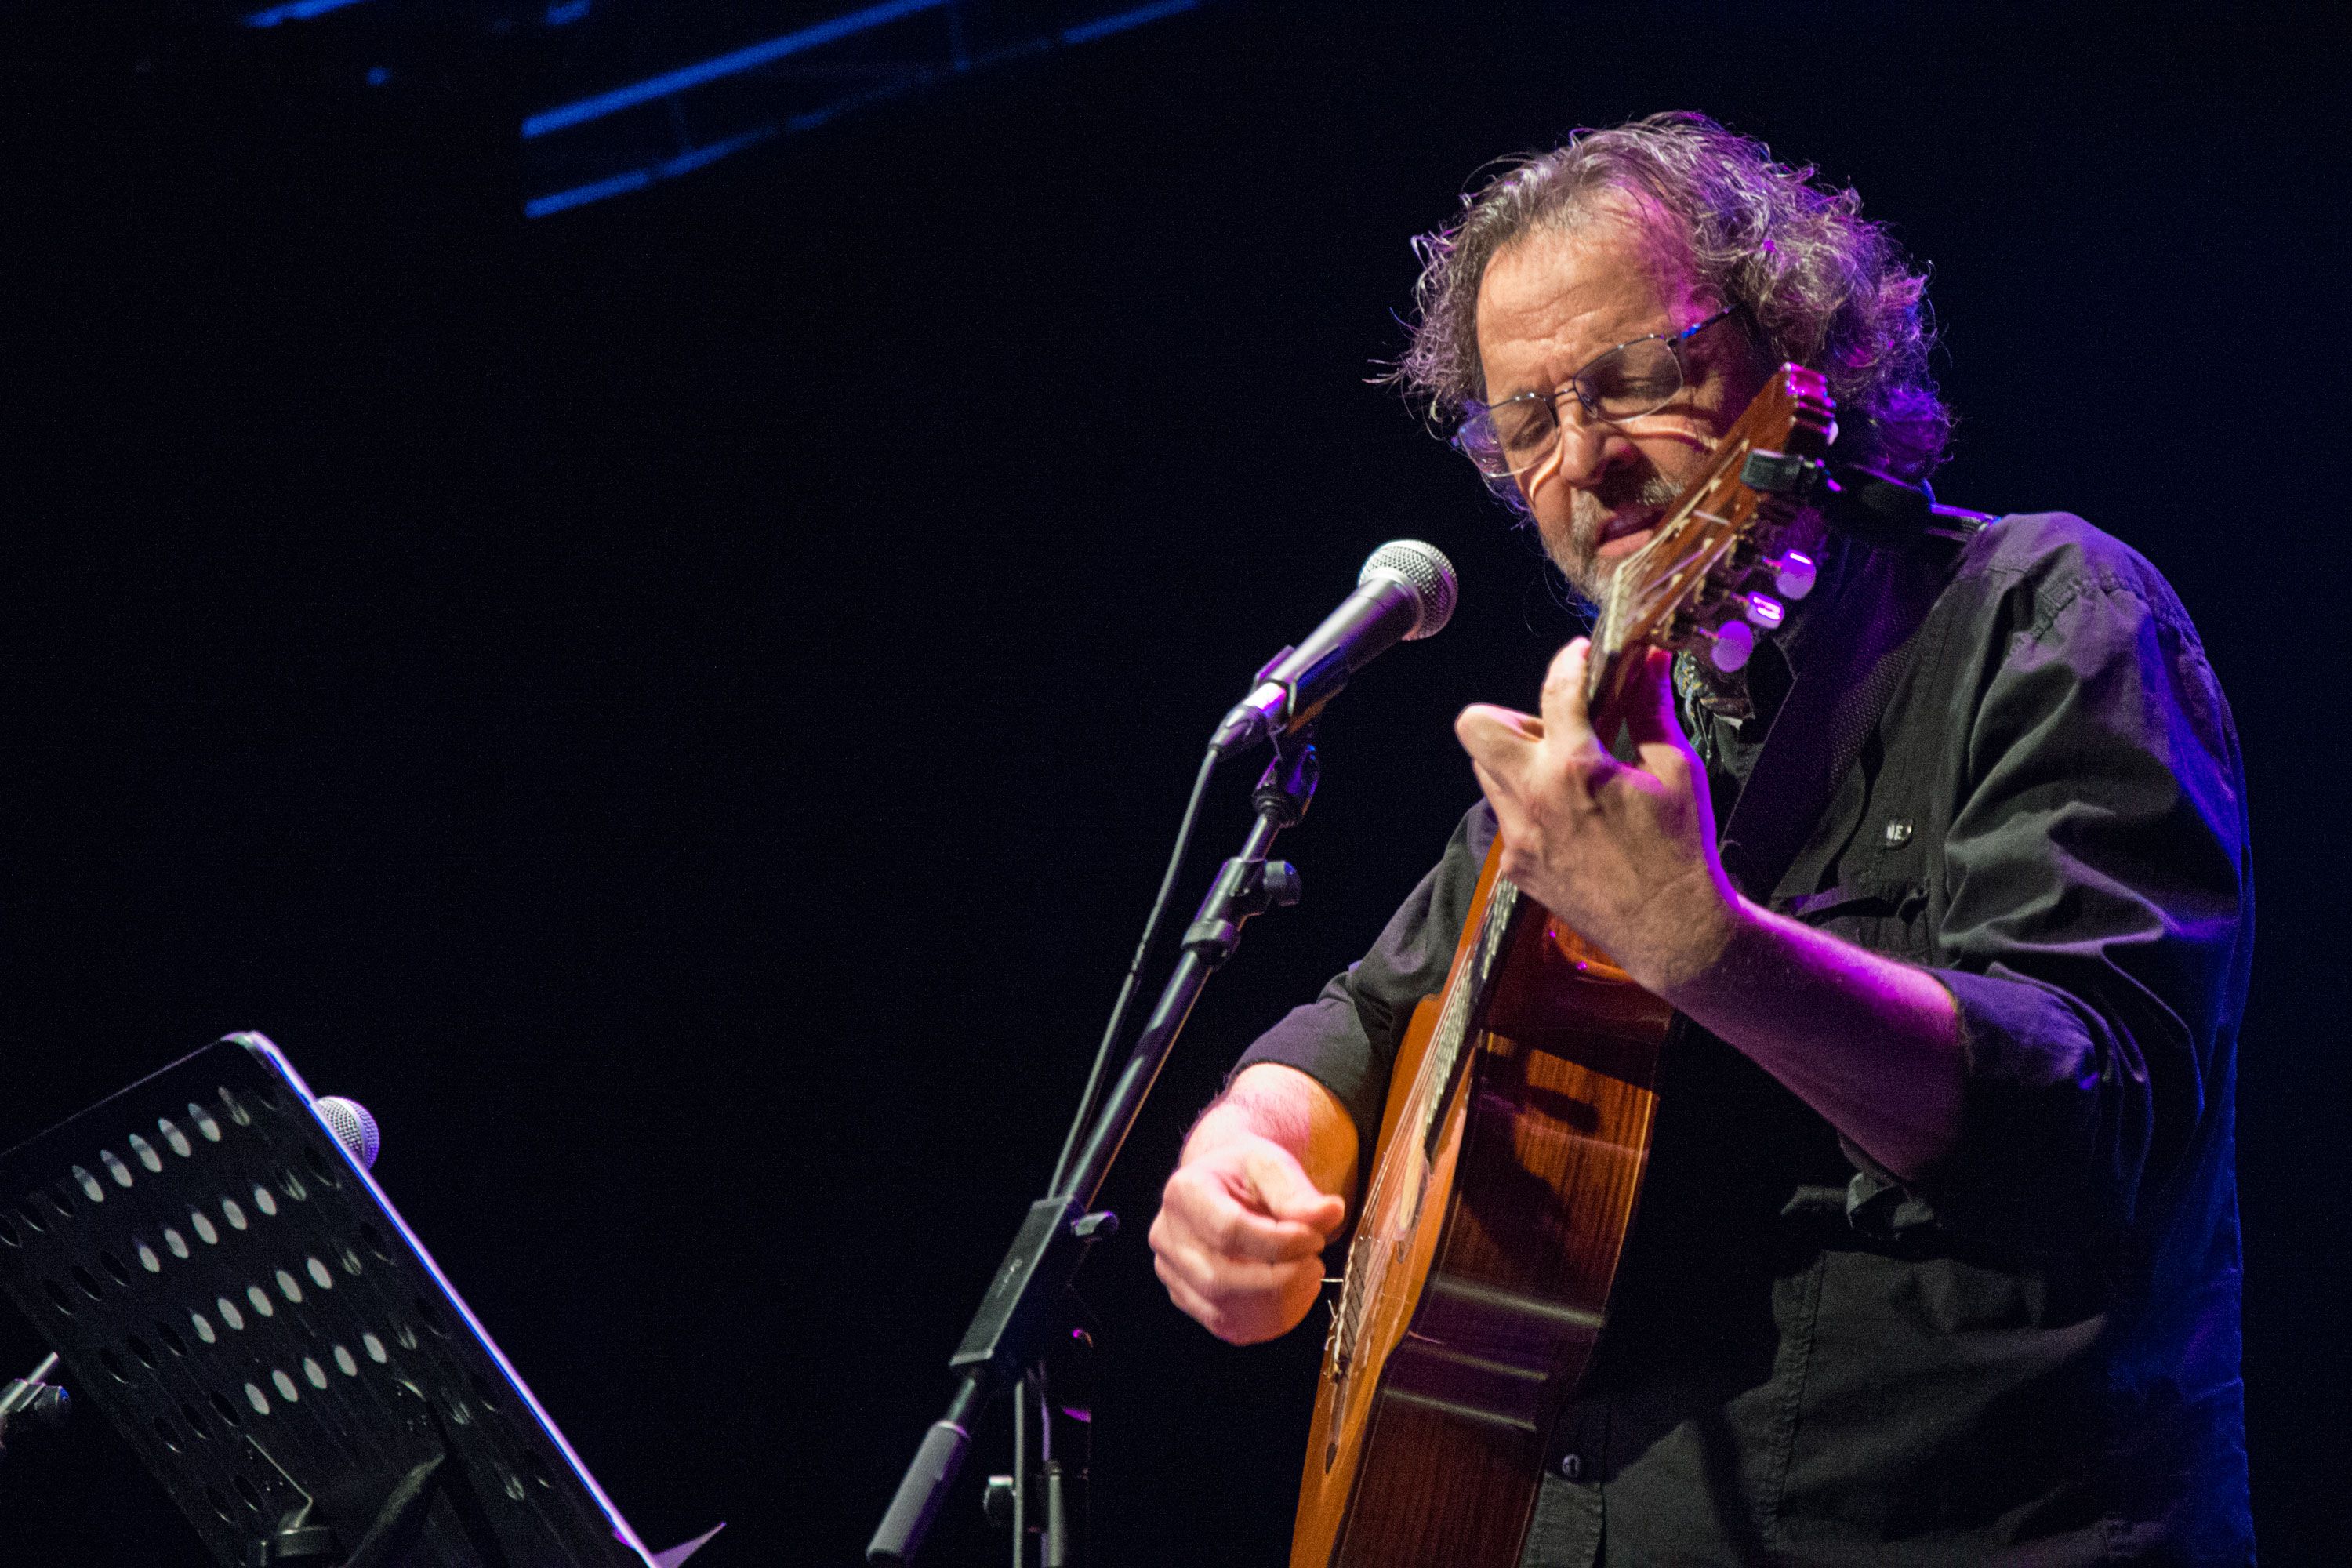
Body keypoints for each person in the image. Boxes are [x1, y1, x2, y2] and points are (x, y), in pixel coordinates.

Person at [1145, 114, 2254, 1566]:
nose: (1583, 461)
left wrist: (1709, 951)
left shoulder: (2042, 615)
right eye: (1526, 423)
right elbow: (1368, 1014)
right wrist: (1252, 1142)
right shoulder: (1584, 760)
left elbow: (2089, 1131)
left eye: (1634, 380)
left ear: (1803, 356)